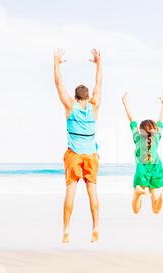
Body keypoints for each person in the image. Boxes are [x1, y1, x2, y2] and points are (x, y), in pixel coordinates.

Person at [53, 48, 102, 243]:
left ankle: (66, 230)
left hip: (74, 155)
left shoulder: (69, 106)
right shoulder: (94, 106)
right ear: (88, 98)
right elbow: (99, 83)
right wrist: (99, 64)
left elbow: (58, 83)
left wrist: (56, 62)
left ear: (75, 97)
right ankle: (96, 227)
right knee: (92, 192)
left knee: (70, 190)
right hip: (91, 155)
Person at [121, 92, 163, 214]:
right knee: (155, 210)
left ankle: (138, 194)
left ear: (141, 131)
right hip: (156, 170)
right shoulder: (156, 137)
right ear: (155, 130)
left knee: (136, 210)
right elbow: (160, 121)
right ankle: (160, 198)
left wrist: (125, 104)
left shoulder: (137, 138)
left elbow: (132, 121)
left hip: (141, 170)